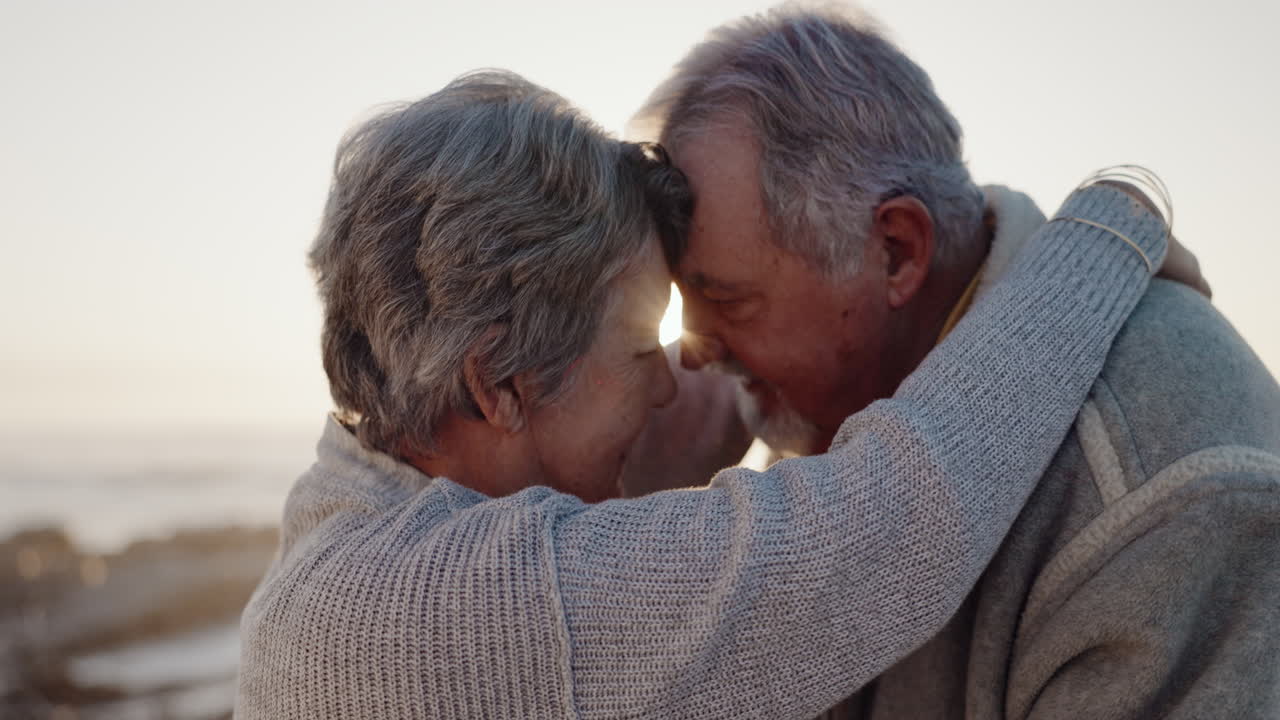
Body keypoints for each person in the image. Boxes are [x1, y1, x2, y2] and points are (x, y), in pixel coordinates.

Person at [235, 69, 1171, 719]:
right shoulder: (451, 614)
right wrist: (1110, 226)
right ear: (499, 382)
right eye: (642, 343)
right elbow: (898, 527)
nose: (672, 378)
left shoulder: (353, 512)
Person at [629, 6, 1280, 719]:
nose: (692, 347)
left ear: (897, 251)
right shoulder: (819, 392)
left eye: (726, 297)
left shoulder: (1161, 502)